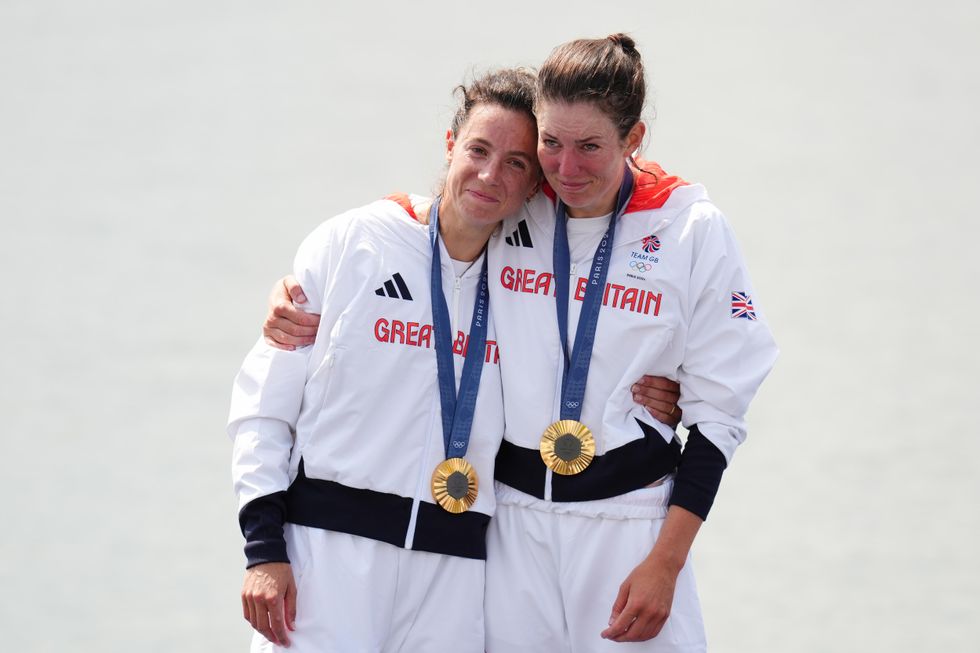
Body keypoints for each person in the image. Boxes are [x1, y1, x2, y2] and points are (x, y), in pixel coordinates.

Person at [265, 34, 776, 652]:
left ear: (633, 139)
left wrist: (665, 564)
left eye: (590, 147)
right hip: (508, 531)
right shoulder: (522, 203)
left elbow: (719, 417)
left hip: (626, 526)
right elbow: (441, 218)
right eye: (551, 145)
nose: (566, 169)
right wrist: (306, 287)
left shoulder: (689, 229)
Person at [228, 68, 542, 652]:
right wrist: (264, 551)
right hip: (328, 560)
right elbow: (264, 403)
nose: (490, 174)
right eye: (478, 149)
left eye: (518, 162)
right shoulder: (354, 241)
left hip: (450, 578)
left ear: (535, 184)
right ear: (451, 147)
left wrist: (665, 391)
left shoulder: (531, 281)